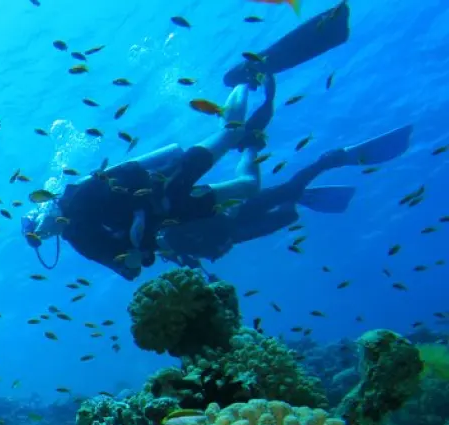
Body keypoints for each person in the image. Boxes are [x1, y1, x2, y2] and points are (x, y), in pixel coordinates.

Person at [21, 0, 350, 279]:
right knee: (248, 187)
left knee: (229, 131)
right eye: (41, 236)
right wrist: (137, 247)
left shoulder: (76, 198)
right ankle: (252, 145)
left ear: (44, 212)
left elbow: (128, 176)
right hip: (172, 213)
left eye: (40, 225)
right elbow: (130, 269)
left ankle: (244, 78)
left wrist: (138, 217)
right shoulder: (80, 240)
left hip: (166, 182)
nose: (46, 230)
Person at [158, 125, 414, 267]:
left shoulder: (168, 227)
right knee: (289, 215)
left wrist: (224, 209)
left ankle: (329, 160)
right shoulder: (175, 252)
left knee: (286, 190)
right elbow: (193, 261)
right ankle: (298, 195)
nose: (160, 253)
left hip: (236, 214)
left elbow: (198, 210)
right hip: (238, 234)